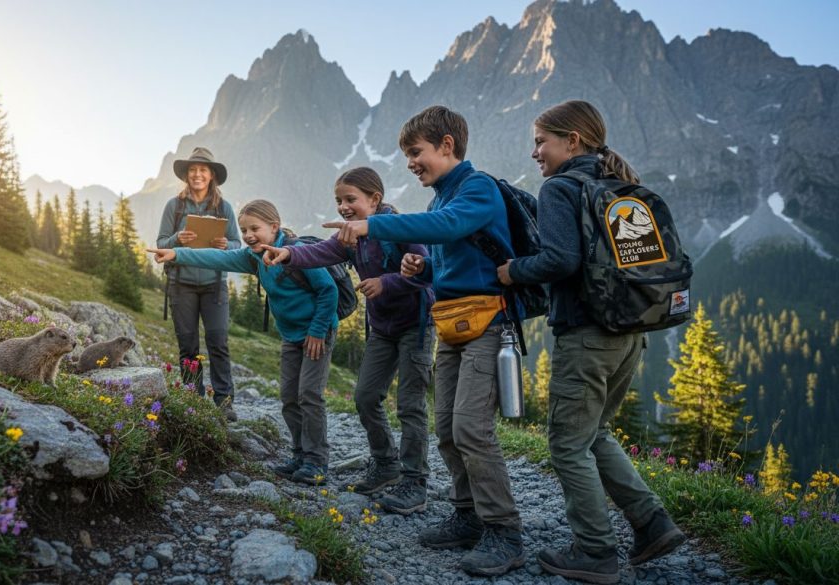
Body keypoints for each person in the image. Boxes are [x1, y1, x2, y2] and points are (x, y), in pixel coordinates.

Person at [326, 106, 526, 577]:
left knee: (472, 429)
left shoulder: (477, 188)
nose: (411, 163)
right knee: (446, 428)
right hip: (453, 322)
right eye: (407, 155)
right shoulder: (439, 200)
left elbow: (451, 227)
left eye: (416, 153)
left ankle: (505, 531)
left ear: (447, 146)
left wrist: (373, 225)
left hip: (488, 323)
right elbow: (452, 259)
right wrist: (425, 269)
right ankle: (467, 514)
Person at [498, 100, 686, 585]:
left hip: (586, 334)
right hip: (631, 332)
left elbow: (560, 260)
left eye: (541, 140)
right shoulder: (620, 186)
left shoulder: (562, 187)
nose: (535, 151)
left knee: (566, 446)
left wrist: (512, 270)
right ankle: (652, 523)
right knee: (594, 434)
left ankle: (595, 552)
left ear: (572, 141)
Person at [260, 167, 436, 514]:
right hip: (382, 329)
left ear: (375, 199)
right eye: (339, 200)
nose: (343, 207)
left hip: (415, 327)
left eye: (350, 199)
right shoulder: (351, 236)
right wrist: (289, 255)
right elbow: (323, 253)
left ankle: (415, 481)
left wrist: (387, 283)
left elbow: (428, 270)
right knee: (365, 397)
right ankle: (386, 464)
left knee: (410, 405)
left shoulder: (401, 229)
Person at [150, 199, 339, 484]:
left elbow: (328, 290)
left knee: (309, 395)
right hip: (291, 336)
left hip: (317, 333)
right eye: (244, 229)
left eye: (256, 228)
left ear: (274, 227)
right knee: (289, 397)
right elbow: (217, 258)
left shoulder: (298, 253)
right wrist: (175, 254)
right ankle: (300, 454)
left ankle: (316, 461)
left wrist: (317, 330)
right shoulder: (253, 257)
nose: (249, 235)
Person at [157, 147, 242, 421]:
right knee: (188, 345)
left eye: (203, 170)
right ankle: (193, 400)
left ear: (212, 175)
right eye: (192, 170)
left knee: (218, 341)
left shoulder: (223, 207)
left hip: (214, 284)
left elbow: (237, 244)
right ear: (186, 175)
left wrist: (224, 244)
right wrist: (176, 240)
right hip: (180, 284)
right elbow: (160, 244)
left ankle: (224, 401)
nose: (197, 174)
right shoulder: (175, 206)